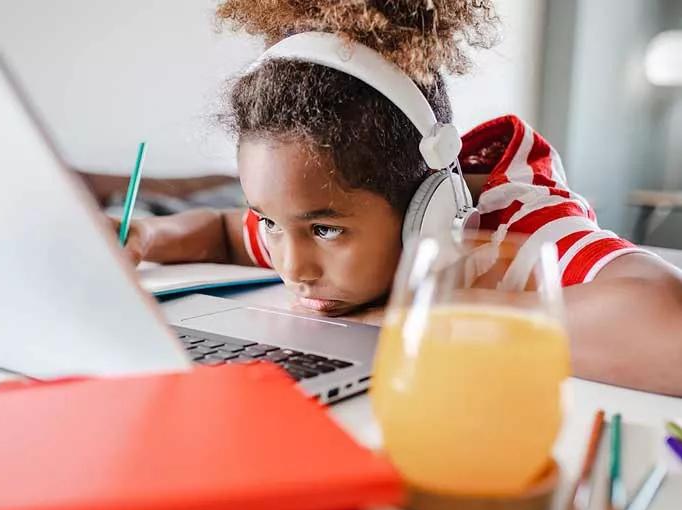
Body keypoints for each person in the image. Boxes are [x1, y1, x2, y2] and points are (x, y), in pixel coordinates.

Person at [111, 1, 682, 396]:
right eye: (272, 222)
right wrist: (143, 237)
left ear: (427, 214)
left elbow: (665, 321)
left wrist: (421, 310)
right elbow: (223, 230)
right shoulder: (307, 236)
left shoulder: (520, 228)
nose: (293, 267)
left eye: (325, 229)